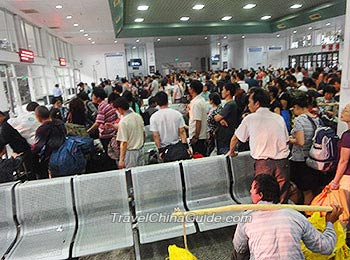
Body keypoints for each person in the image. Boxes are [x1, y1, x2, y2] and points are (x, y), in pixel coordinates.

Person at [232, 174, 342, 260]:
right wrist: (330, 223)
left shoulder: (247, 217)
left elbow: (239, 248)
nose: (250, 191)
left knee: (238, 252)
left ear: (260, 195)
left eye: (252, 189)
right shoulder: (295, 216)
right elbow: (326, 247)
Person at [227, 88, 290, 203]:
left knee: (263, 196)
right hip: (282, 163)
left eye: (250, 102)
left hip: (263, 164)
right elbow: (286, 140)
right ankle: (281, 218)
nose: (248, 105)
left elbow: (236, 138)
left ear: (257, 103)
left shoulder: (250, 119)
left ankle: (263, 219)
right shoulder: (279, 118)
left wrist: (231, 151)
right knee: (282, 197)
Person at [289, 92, 324, 205]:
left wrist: (289, 140)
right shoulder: (316, 119)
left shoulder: (299, 120)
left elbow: (300, 141)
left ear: (296, 107)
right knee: (311, 190)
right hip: (313, 159)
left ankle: (305, 215)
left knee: (304, 191)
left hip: (300, 160)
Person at [150, 92, 189, 162]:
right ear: (167, 100)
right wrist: (186, 147)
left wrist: (160, 150)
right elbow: (182, 132)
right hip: (178, 148)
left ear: (156, 103)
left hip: (165, 150)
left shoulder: (154, 117)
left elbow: (156, 136)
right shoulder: (177, 114)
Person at [32, 106, 66, 179]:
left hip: (52, 158)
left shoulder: (42, 129)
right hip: (65, 152)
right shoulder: (59, 122)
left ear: (37, 117)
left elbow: (37, 147)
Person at [0, 111, 36, 180]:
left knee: (29, 176)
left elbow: (2, 142)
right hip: (28, 151)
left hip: (23, 154)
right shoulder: (11, 122)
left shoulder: (5, 126)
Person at [113, 97, 145, 169]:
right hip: (141, 149)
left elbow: (124, 143)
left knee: (130, 175)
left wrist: (121, 160)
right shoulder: (138, 116)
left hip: (131, 153)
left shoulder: (123, 122)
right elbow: (143, 133)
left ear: (120, 109)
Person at [87, 88, 117, 153]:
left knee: (108, 153)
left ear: (98, 98)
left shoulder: (102, 107)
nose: (92, 97)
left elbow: (98, 123)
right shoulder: (106, 103)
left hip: (107, 134)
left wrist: (88, 131)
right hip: (112, 131)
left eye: (93, 95)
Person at [214, 83, 239, 155]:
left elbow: (216, 118)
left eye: (223, 90)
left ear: (228, 92)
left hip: (225, 136)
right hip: (224, 135)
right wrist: (221, 119)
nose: (222, 91)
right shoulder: (227, 104)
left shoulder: (230, 104)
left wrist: (219, 118)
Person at [188, 80, 208, 156]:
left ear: (192, 89)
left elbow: (198, 121)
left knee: (198, 156)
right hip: (201, 135)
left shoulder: (196, 103)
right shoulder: (200, 100)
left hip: (197, 137)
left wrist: (196, 136)